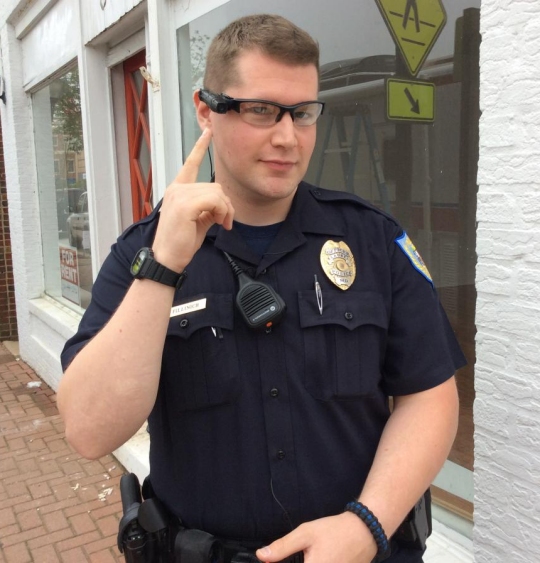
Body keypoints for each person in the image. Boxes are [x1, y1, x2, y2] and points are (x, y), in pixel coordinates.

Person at [58, 13, 465, 563]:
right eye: (260, 110)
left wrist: (366, 525)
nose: (287, 137)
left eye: (302, 113)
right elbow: (88, 430)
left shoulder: (371, 239)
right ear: (206, 110)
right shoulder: (144, 252)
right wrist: (165, 265)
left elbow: (429, 393)